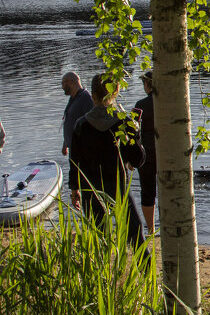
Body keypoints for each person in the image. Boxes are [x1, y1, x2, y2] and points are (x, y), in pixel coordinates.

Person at [69, 73, 147, 246]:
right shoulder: (124, 123)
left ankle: (100, 270)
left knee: (98, 236)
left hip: (91, 187)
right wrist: (137, 133)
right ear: (116, 92)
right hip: (118, 186)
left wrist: (74, 188)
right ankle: (144, 270)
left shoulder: (81, 124)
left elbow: (75, 162)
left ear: (93, 95)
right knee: (135, 233)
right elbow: (138, 160)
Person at [133, 71, 157, 234]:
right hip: (167, 153)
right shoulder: (170, 103)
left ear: (148, 85)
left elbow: (132, 133)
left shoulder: (140, 105)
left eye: (144, 84)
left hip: (146, 155)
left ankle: (151, 229)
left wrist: (130, 158)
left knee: (147, 191)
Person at [61, 71, 94, 156]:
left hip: (82, 147)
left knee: (78, 169)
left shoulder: (85, 97)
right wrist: (65, 143)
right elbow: (69, 120)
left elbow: (92, 121)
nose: (62, 87)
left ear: (71, 82)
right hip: (73, 146)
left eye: (63, 83)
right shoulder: (73, 98)